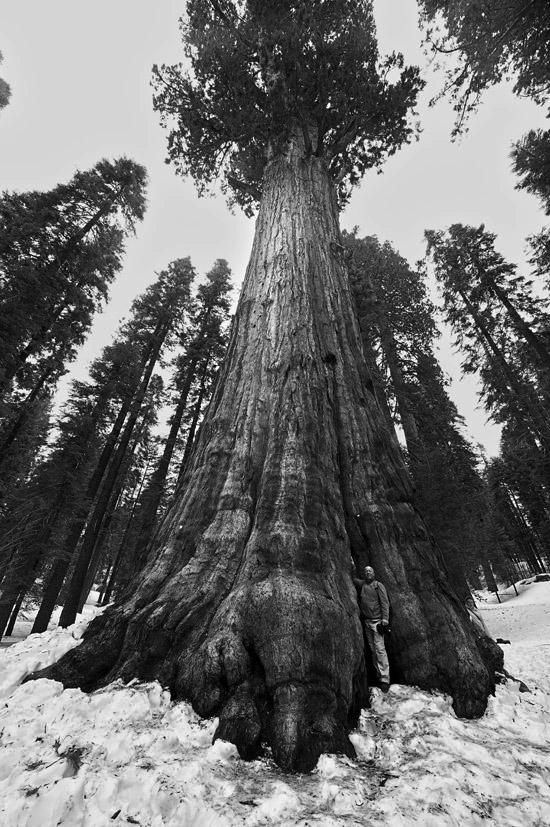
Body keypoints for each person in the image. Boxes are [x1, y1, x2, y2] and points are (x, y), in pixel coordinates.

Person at [354, 565, 391, 692]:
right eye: (366, 571)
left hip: (377, 622)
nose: (368, 572)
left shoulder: (378, 585)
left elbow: (385, 602)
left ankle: (385, 679)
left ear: (374, 573)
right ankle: (379, 675)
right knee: (373, 650)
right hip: (367, 622)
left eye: (370, 571)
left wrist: (385, 619)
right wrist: (351, 566)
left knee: (380, 649)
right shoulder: (363, 584)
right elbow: (354, 579)